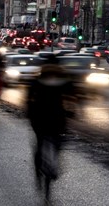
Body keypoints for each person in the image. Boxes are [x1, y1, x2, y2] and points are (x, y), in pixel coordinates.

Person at [27, 55, 74, 189]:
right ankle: (54, 165)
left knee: (40, 143)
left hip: (39, 116)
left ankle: (38, 170)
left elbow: (29, 97)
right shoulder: (64, 79)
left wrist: (29, 112)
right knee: (57, 143)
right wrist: (72, 111)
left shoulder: (37, 79)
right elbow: (72, 96)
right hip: (57, 116)